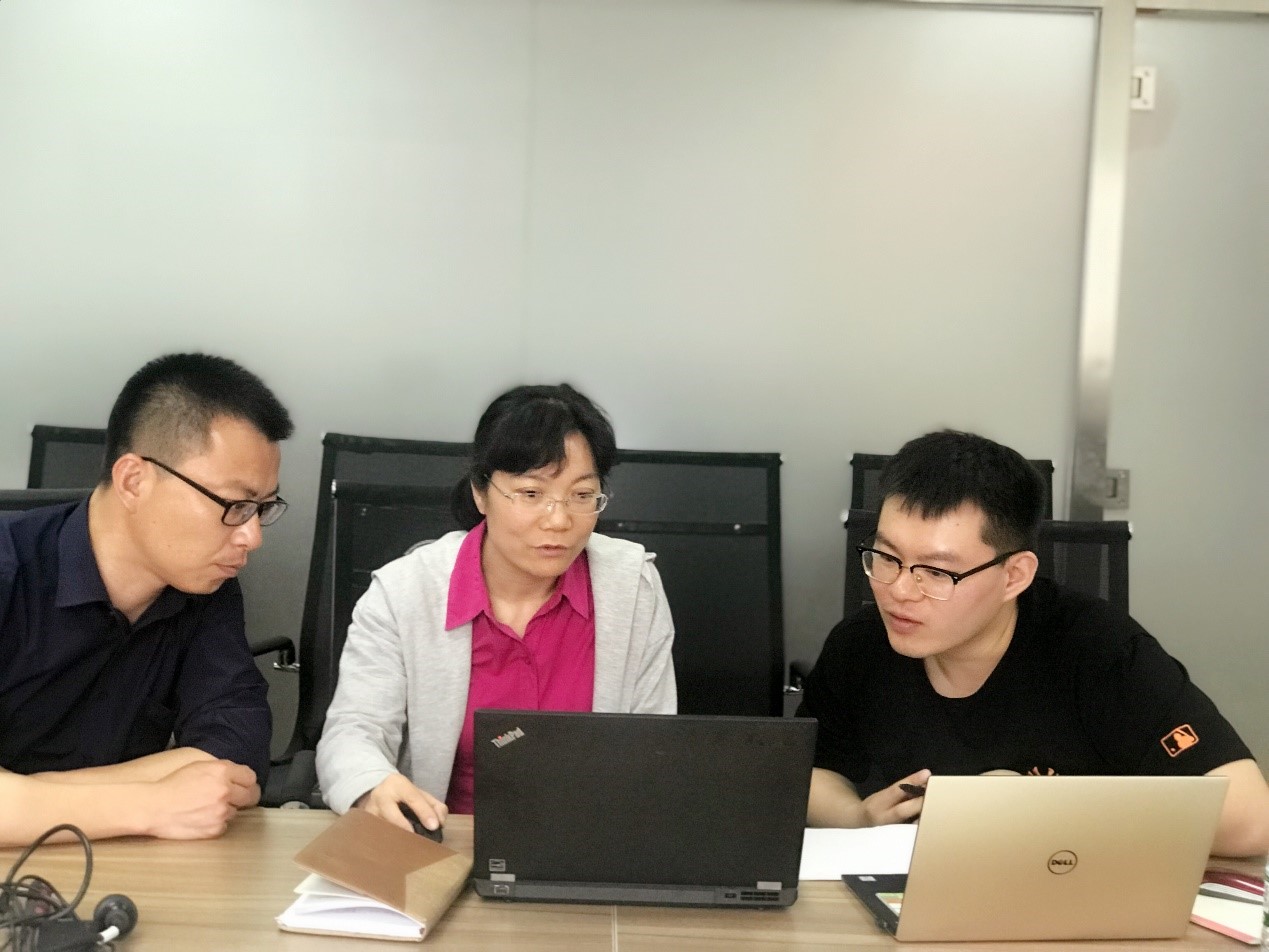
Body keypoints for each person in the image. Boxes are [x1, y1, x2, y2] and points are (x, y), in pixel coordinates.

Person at [799, 430, 1269, 857]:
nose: (899, 590)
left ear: (1014, 576)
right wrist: (857, 818)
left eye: (937, 572)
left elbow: (1250, 820)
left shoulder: (1099, 650)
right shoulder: (861, 644)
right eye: (886, 556)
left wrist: (1040, 810)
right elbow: (810, 773)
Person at [316, 384, 676, 832]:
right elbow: (353, 730)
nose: (559, 519)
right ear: (481, 493)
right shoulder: (404, 592)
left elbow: (653, 747)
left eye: (582, 495)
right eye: (531, 494)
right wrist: (372, 785)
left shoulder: (633, 587)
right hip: (445, 842)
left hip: (590, 840)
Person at [0, 353, 293, 846]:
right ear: (134, 481)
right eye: (235, 505)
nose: (252, 537)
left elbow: (235, 757)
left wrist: (23, 799)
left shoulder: (206, 586)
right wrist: (148, 804)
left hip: (120, 864)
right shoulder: (9, 570)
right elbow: (182, 792)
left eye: (262, 508)